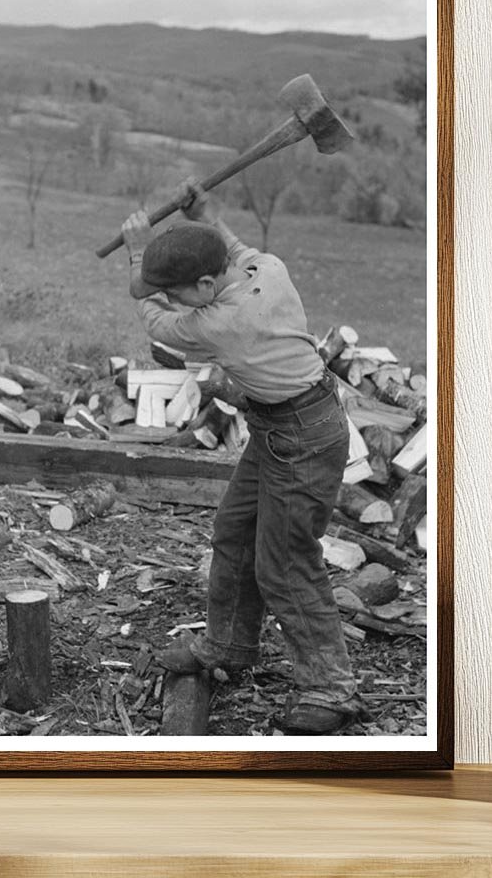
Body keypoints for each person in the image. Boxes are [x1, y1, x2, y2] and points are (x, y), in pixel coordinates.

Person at [121, 180, 368, 734]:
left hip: (303, 437)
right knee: (234, 533)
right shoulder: (267, 268)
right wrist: (205, 212)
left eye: (182, 291)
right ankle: (229, 645)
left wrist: (139, 252)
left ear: (207, 285)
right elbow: (231, 246)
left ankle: (332, 687)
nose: (177, 299)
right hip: (285, 426)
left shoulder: (219, 322)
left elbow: (152, 312)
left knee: (284, 562)